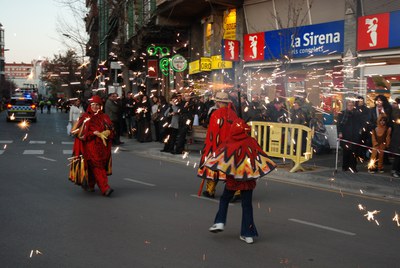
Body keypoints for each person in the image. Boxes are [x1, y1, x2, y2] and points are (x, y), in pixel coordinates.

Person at [204, 116, 276, 244]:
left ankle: (220, 222)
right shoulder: (251, 141)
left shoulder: (229, 141)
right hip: (248, 180)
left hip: (233, 179)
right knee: (247, 205)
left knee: (225, 199)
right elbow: (260, 156)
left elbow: (220, 156)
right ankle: (247, 234)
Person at [70, 95, 115, 196]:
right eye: (93, 105)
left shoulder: (105, 117)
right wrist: (93, 133)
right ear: (90, 105)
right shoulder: (85, 117)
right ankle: (105, 188)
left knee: (94, 166)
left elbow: (112, 130)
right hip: (90, 146)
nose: (95, 107)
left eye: (97, 105)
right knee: (97, 165)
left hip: (103, 148)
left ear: (100, 106)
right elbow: (77, 132)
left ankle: (90, 184)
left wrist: (108, 132)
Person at [198, 91, 238, 198]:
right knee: (231, 169)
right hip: (230, 146)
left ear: (219, 102)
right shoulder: (233, 114)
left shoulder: (216, 114)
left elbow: (212, 133)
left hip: (217, 146)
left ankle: (210, 190)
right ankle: (237, 191)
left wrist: (209, 147)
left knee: (212, 168)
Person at [337, 100, 361, 172]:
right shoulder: (342, 113)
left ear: (353, 106)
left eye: (351, 105)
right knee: (346, 151)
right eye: (349, 105)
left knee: (354, 152)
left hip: (354, 135)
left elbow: (359, 123)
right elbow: (339, 124)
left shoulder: (356, 113)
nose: (350, 107)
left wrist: (359, 131)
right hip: (345, 135)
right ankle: (345, 166)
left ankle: (353, 167)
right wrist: (340, 132)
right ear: (346, 106)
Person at [390, 98, 400, 178]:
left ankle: (396, 170)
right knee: (398, 155)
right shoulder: (396, 112)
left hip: (397, 136)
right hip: (397, 137)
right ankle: (395, 171)